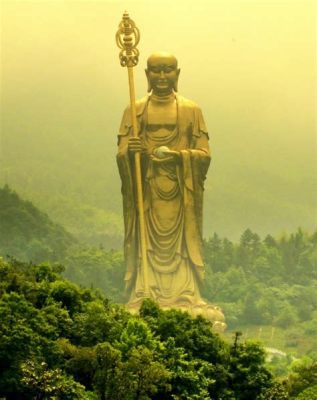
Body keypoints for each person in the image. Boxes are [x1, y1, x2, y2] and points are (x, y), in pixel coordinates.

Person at [117, 52, 225, 330]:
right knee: (147, 244)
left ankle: (186, 295)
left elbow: (204, 154)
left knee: (181, 247)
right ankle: (146, 291)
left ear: (178, 74)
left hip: (181, 193)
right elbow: (122, 154)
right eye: (156, 71)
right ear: (146, 75)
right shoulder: (134, 110)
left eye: (168, 71)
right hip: (148, 193)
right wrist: (131, 152)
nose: (162, 77)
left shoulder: (192, 110)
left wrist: (179, 156)